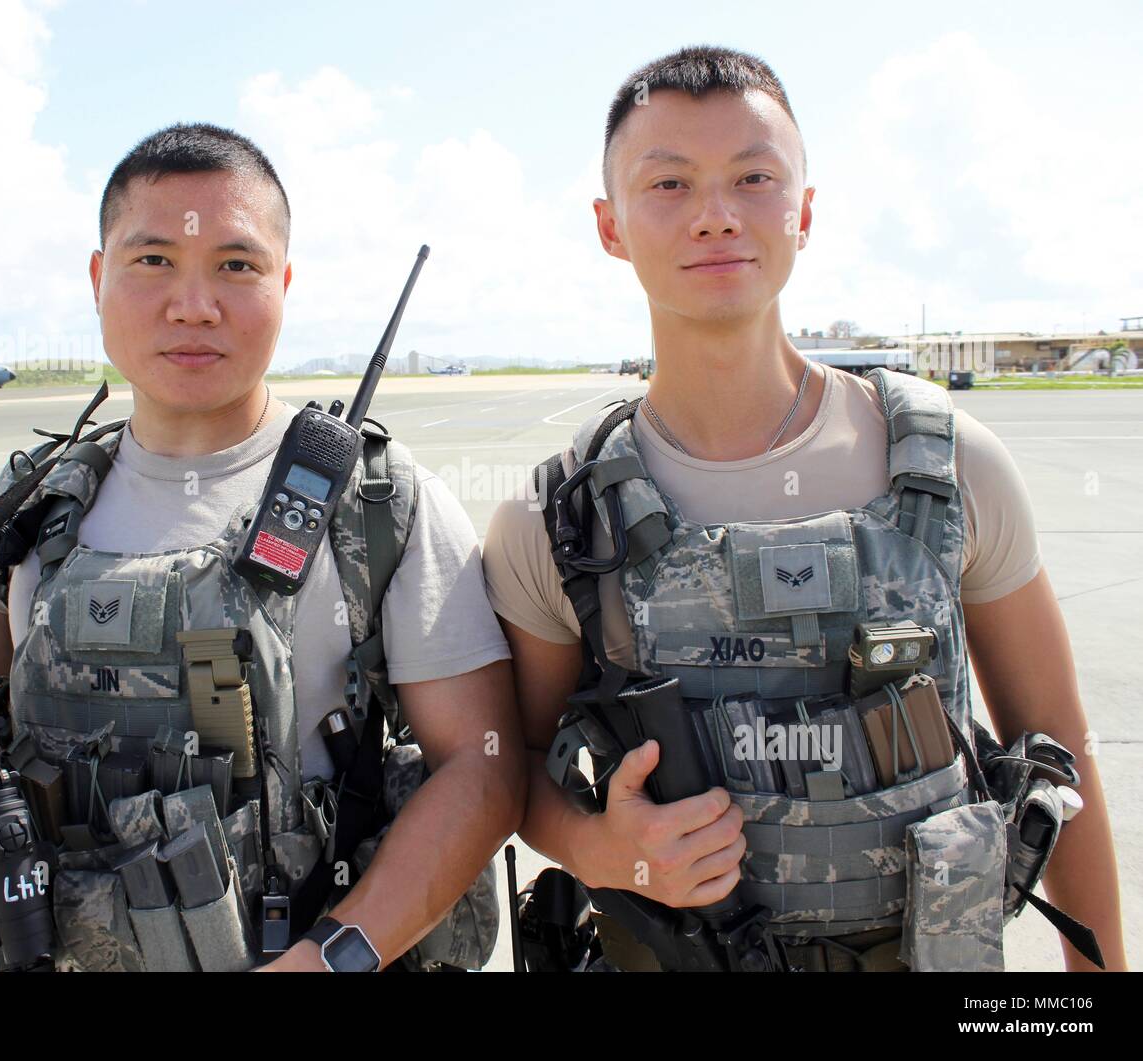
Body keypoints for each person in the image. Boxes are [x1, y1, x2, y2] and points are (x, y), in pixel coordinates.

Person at [482, 46, 1125, 972]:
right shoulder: (556, 516)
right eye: (669, 182)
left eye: (754, 178)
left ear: (805, 210)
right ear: (610, 226)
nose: (715, 215)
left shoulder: (951, 465)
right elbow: (510, 767)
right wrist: (599, 848)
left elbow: (1062, 753)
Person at [0, 122, 524, 972]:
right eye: (152, 262)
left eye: (237, 265)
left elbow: (481, 773)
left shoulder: (378, 501)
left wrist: (333, 959)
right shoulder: (42, 500)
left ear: (284, 283)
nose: (194, 304)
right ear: (99, 278)